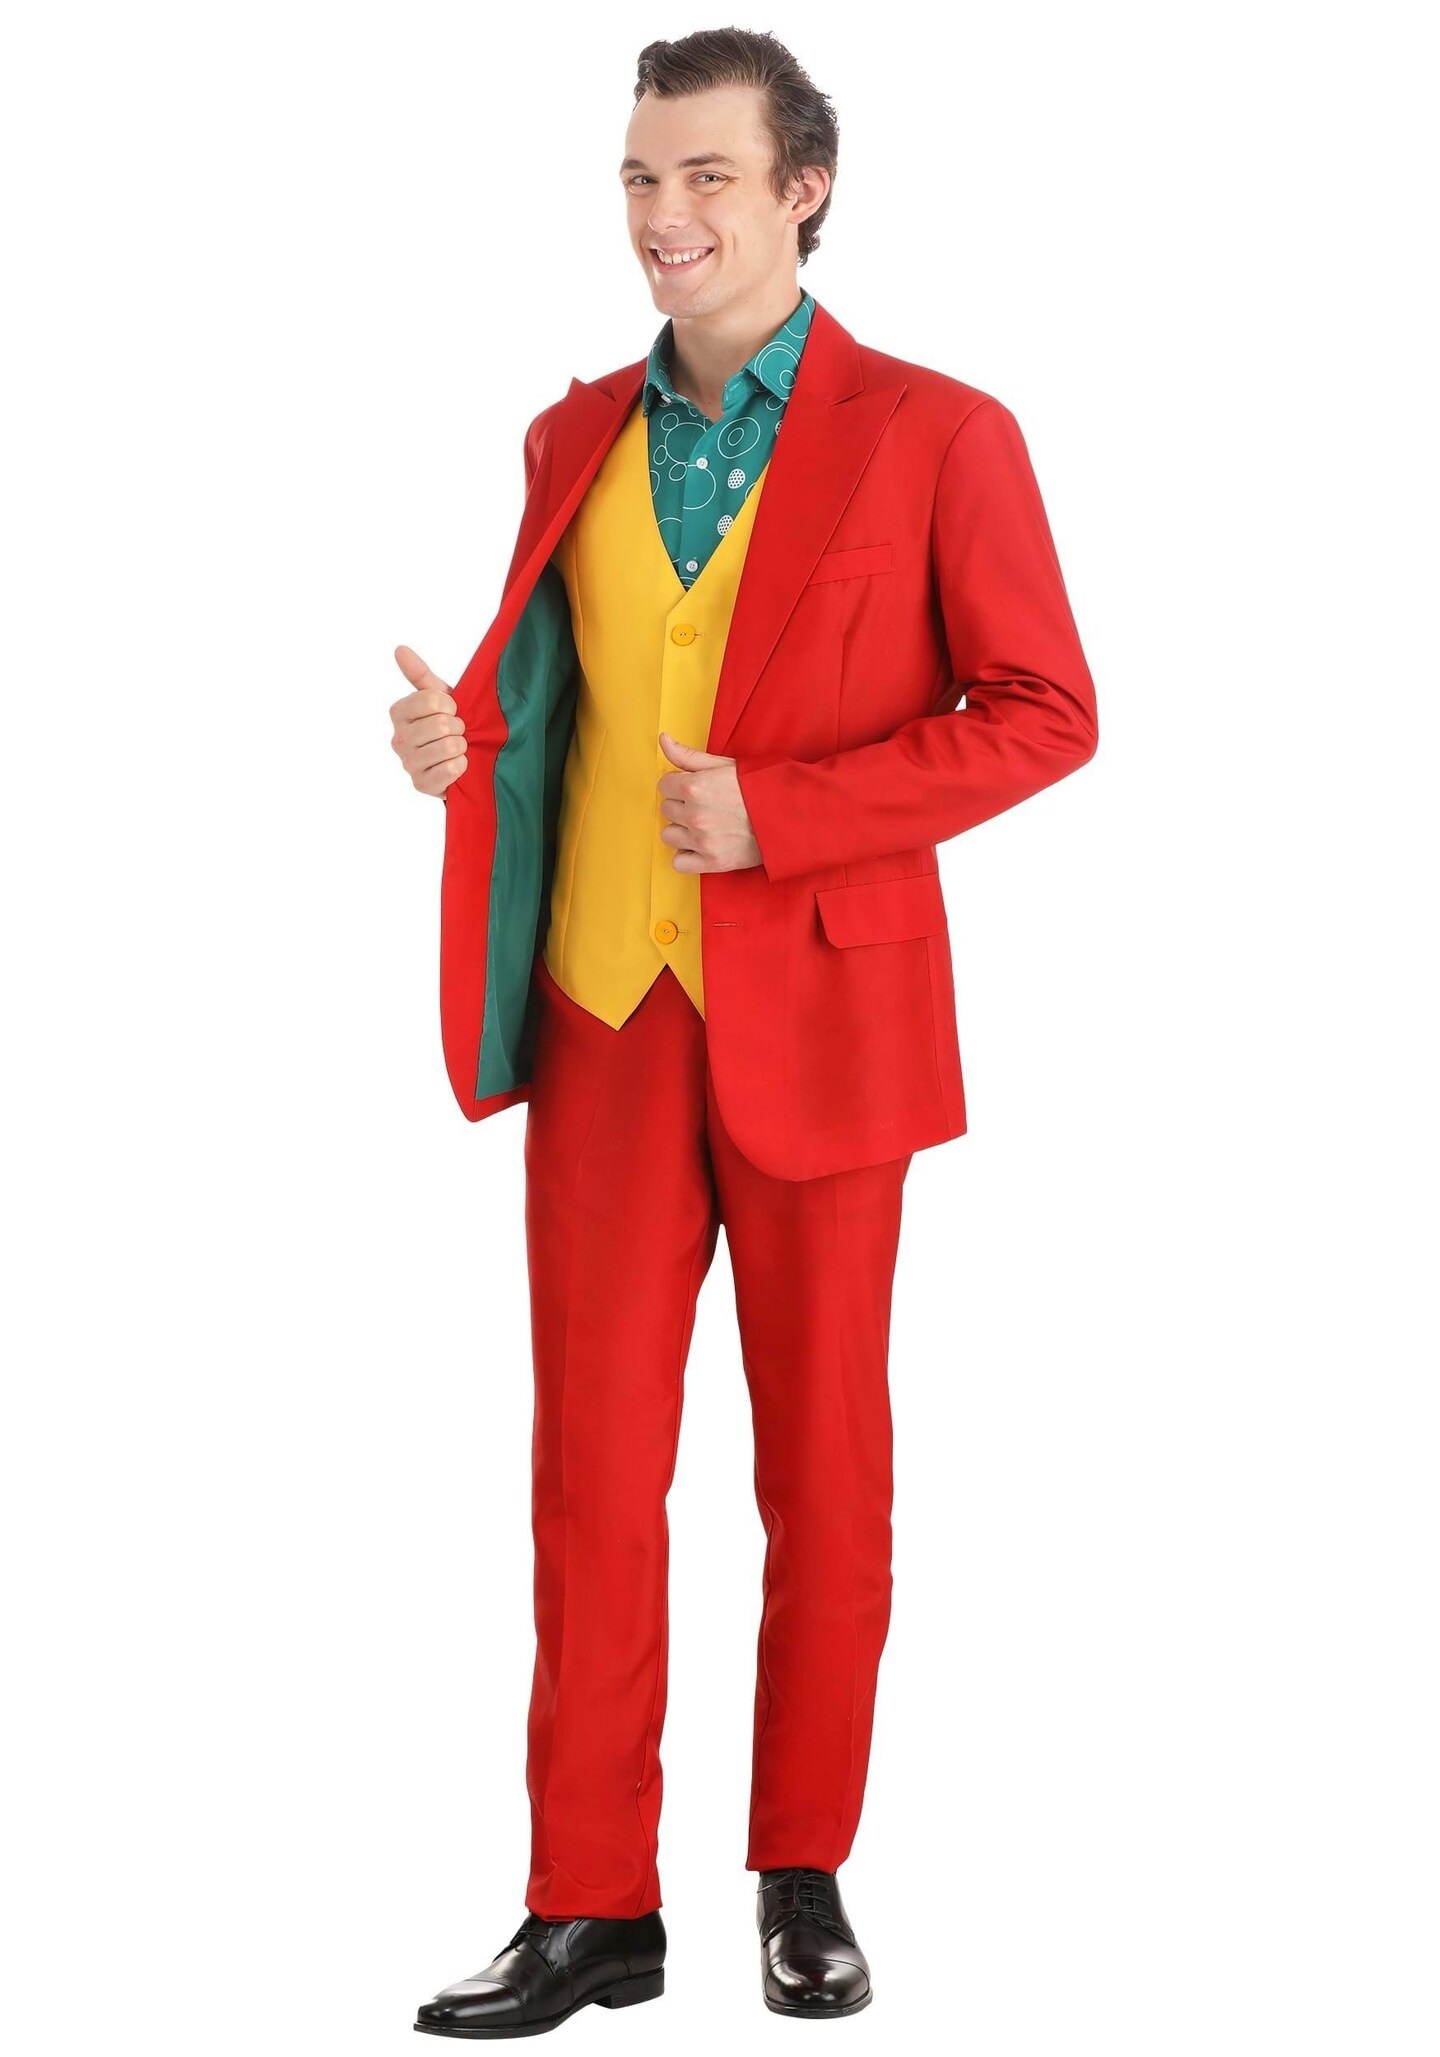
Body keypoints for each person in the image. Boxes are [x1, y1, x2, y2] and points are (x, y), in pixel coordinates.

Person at [390, 27, 1098, 2037]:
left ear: (804, 189)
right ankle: (587, 1904)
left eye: (705, 174)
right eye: (638, 176)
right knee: (591, 1476)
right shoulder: (569, 436)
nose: (662, 214)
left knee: (827, 1472)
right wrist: (459, 744)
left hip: (825, 1022)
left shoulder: (939, 431)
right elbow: (561, 696)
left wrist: (786, 813)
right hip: (606, 1008)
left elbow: (1046, 712)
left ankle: (802, 1870)